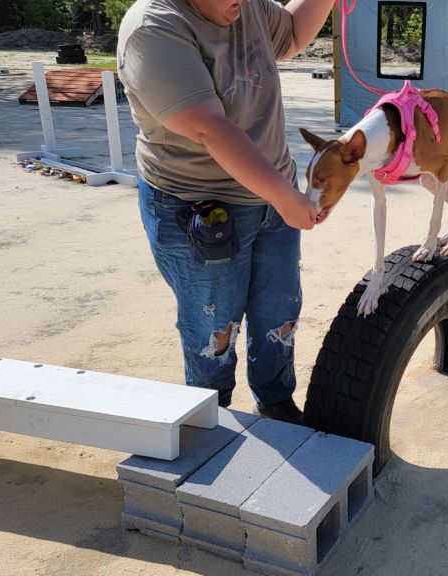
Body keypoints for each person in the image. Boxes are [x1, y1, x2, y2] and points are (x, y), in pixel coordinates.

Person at [117, 0, 333, 423]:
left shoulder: (242, 5)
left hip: (271, 196)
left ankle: (275, 402)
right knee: (213, 325)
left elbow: (291, 33)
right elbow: (208, 127)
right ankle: (210, 416)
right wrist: (284, 196)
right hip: (198, 202)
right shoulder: (154, 28)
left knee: (278, 311)